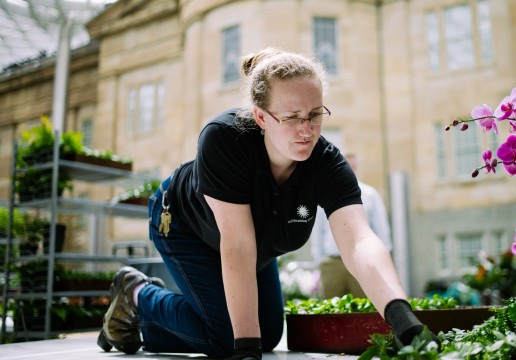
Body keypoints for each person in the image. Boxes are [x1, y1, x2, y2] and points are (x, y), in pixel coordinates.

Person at [97, 47, 436, 359]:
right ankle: (137, 293)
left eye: (315, 114)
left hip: (249, 246)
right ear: (261, 117)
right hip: (185, 226)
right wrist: (245, 351)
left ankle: (145, 323)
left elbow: (360, 241)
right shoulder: (224, 139)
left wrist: (402, 317)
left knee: (269, 335)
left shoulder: (327, 163)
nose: (307, 130)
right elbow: (238, 245)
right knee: (233, 339)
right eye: (291, 117)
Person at [310, 151, 392, 298]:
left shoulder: (370, 194)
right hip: (332, 263)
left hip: (362, 262)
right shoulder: (325, 195)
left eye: (352, 166)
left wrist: (380, 263)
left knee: (363, 309)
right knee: (331, 311)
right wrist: (319, 260)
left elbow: (381, 229)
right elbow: (318, 230)